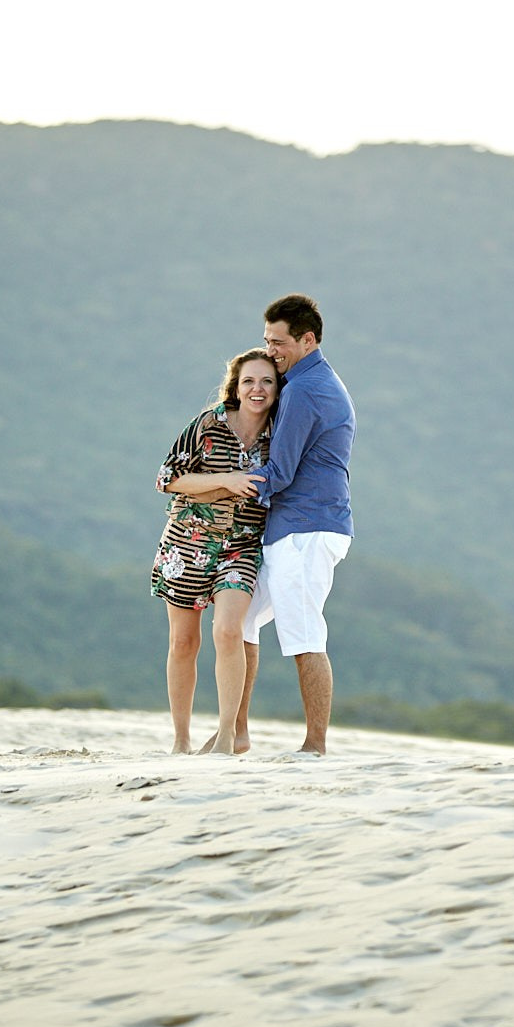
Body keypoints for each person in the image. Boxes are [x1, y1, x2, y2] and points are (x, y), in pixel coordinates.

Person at [218, 293, 355, 756]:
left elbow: (278, 473)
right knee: (242, 622)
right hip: (292, 527)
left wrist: (210, 486)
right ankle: (237, 733)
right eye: (267, 340)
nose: (270, 350)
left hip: (307, 529)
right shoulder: (305, 381)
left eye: (278, 342)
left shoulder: (305, 389)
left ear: (307, 340)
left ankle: (315, 746)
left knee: (304, 635)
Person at [152, 349, 278, 754]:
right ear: (235, 387)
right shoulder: (209, 424)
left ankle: (227, 736)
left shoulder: (280, 432)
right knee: (183, 643)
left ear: (278, 389)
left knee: (228, 631)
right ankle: (181, 740)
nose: (257, 389)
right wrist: (227, 479)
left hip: (241, 546)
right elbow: (168, 479)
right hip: (187, 543)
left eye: (267, 381)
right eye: (249, 381)